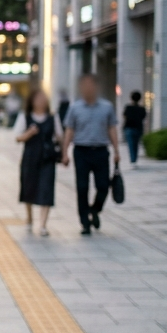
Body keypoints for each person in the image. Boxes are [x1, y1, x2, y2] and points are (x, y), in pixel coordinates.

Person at [61, 73, 120, 236]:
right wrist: (65, 153)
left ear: (96, 87)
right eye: (84, 85)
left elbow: (112, 128)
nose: (87, 88)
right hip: (81, 151)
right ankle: (85, 222)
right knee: (82, 188)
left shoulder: (107, 107)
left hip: (101, 151)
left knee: (103, 186)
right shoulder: (75, 108)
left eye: (90, 85)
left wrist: (116, 150)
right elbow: (69, 130)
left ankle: (94, 210)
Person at [14, 89, 62, 236]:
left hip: (47, 158)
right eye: (38, 98)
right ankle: (29, 218)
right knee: (28, 188)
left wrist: (64, 152)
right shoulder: (25, 117)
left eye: (43, 98)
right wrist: (29, 133)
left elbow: (60, 136)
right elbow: (17, 137)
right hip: (30, 158)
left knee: (47, 189)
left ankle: (43, 225)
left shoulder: (53, 117)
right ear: (32, 101)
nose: (41, 101)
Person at [123, 91, 147, 164]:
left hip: (129, 128)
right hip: (138, 128)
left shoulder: (128, 107)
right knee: (136, 144)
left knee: (130, 144)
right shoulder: (142, 108)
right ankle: (134, 159)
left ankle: (133, 159)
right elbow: (143, 117)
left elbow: (125, 116)